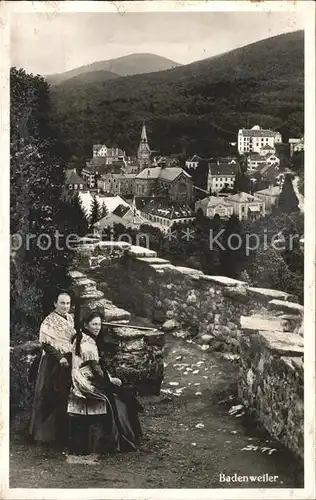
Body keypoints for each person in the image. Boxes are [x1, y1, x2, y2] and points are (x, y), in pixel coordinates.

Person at [67, 312, 143, 455]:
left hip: (82, 375)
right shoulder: (87, 343)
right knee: (120, 394)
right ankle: (122, 436)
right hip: (84, 381)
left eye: (99, 324)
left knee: (121, 390)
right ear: (86, 325)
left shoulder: (81, 337)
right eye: (94, 324)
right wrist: (110, 380)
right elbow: (96, 371)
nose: (97, 327)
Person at [29, 290, 75, 448]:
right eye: (62, 303)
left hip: (68, 360)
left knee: (65, 394)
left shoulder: (70, 318)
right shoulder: (49, 321)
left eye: (68, 303)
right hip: (52, 362)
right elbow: (46, 343)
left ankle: (63, 432)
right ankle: (45, 434)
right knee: (49, 393)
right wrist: (59, 357)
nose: (65, 306)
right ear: (55, 304)